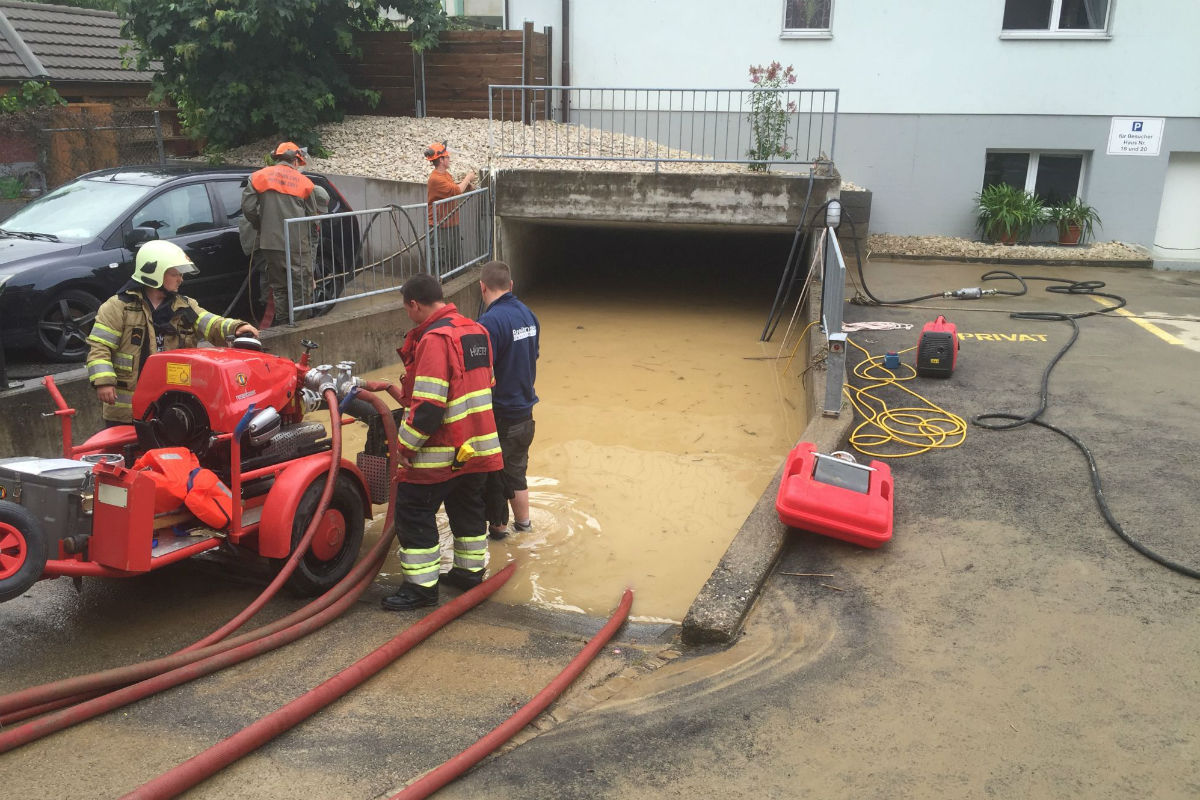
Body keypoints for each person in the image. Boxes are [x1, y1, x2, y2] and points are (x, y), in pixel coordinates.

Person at [383, 273, 503, 611]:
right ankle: (468, 574)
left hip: (440, 453)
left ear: (415, 304)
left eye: (407, 309)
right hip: (476, 448)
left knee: (414, 513)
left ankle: (420, 590)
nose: (408, 314)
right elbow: (483, 386)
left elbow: (429, 407)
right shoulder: (477, 331)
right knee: (468, 511)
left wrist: (403, 448)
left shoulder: (435, 339)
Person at [86, 240, 258, 426]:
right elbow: (99, 346)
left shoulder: (185, 306)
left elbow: (210, 322)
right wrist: (104, 382)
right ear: (154, 273)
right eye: (175, 273)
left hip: (173, 408)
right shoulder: (117, 307)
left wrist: (235, 328)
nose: (180, 279)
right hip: (126, 413)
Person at [476, 260, 539, 540]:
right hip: (525, 413)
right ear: (510, 285)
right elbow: (531, 356)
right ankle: (524, 527)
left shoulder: (488, 323)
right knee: (517, 474)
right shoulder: (529, 315)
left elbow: (479, 373)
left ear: (482, 287)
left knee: (494, 476)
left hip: (499, 415)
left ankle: (499, 534)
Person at [241, 141, 322, 326]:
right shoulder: (305, 183)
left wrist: (261, 225)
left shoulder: (258, 177)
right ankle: (298, 326)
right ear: (296, 160)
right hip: (297, 246)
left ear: (276, 158)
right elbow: (312, 219)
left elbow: (248, 208)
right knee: (300, 288)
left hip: (270, 244)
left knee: (279, 287)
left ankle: (283, 324)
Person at [424, 142, 476, 273]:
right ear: (441, 160)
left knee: (455, 260)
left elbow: (452, 190)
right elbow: (457, 190)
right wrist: (468, 177)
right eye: (447, 157)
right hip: (439, 227)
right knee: (439, 262)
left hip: (451, 225)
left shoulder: (446, 175)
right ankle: (437, 288)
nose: (449, 159)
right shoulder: (435, 179)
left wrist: (466, 185)